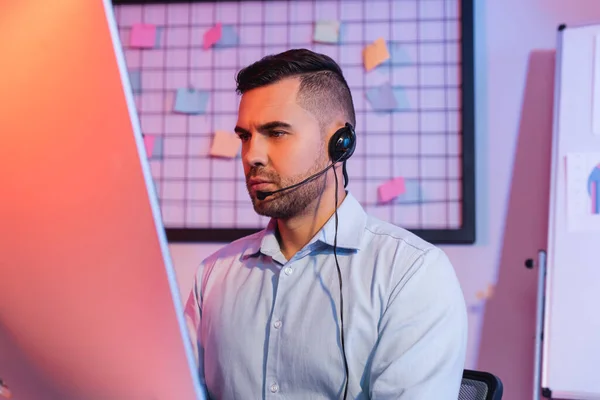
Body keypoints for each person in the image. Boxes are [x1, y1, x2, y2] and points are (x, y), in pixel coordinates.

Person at [184, 49, 467, 400]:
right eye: (245, 136)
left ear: (339, 144)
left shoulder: (410, 273)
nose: (252, 155)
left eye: (276, 132)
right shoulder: (213, 275)